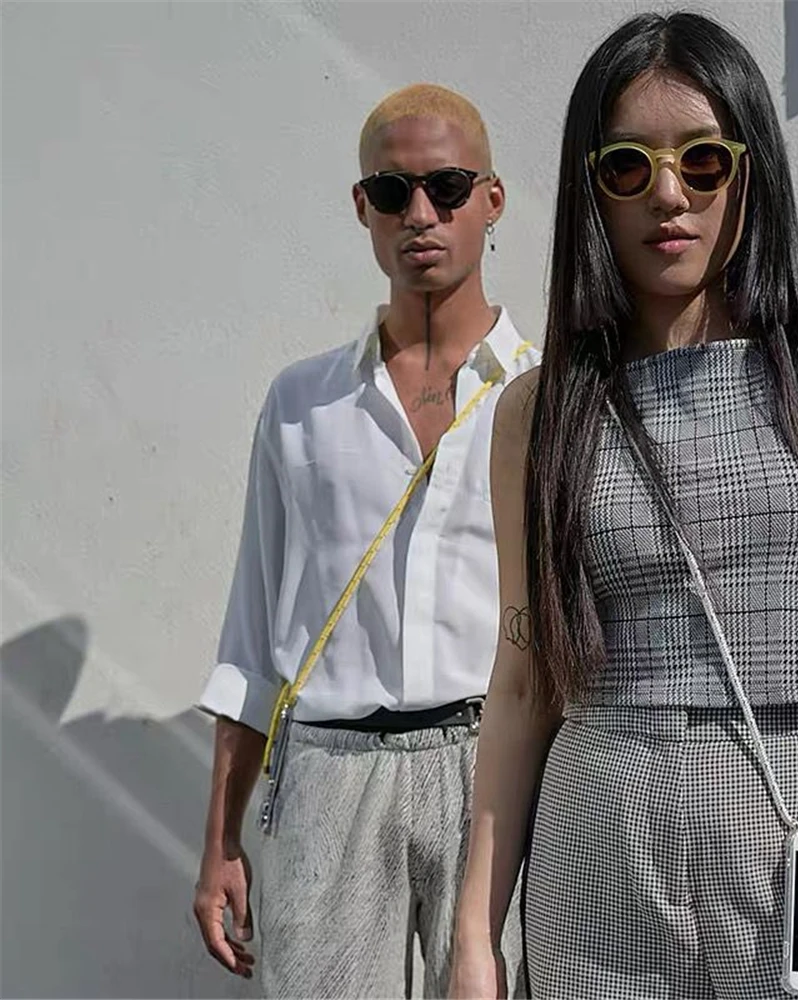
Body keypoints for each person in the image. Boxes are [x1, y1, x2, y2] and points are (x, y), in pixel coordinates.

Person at [450, 12, 798, 1000]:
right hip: (596, 844)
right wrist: (474, 940)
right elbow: (523, 682)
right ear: (590, 189)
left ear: (752, 170)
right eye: (628, 166)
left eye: (703, 161)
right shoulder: (540, 411)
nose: (669, 194)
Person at [191, 82, 537, 999]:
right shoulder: (302, 402)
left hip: (495, 768)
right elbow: (252, 631)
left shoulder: (548, 393)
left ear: (492, 199)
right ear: (362, 206)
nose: (420, 214)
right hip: (329, 770)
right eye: (392, 191)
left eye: (447, 187)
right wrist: (220, 839)